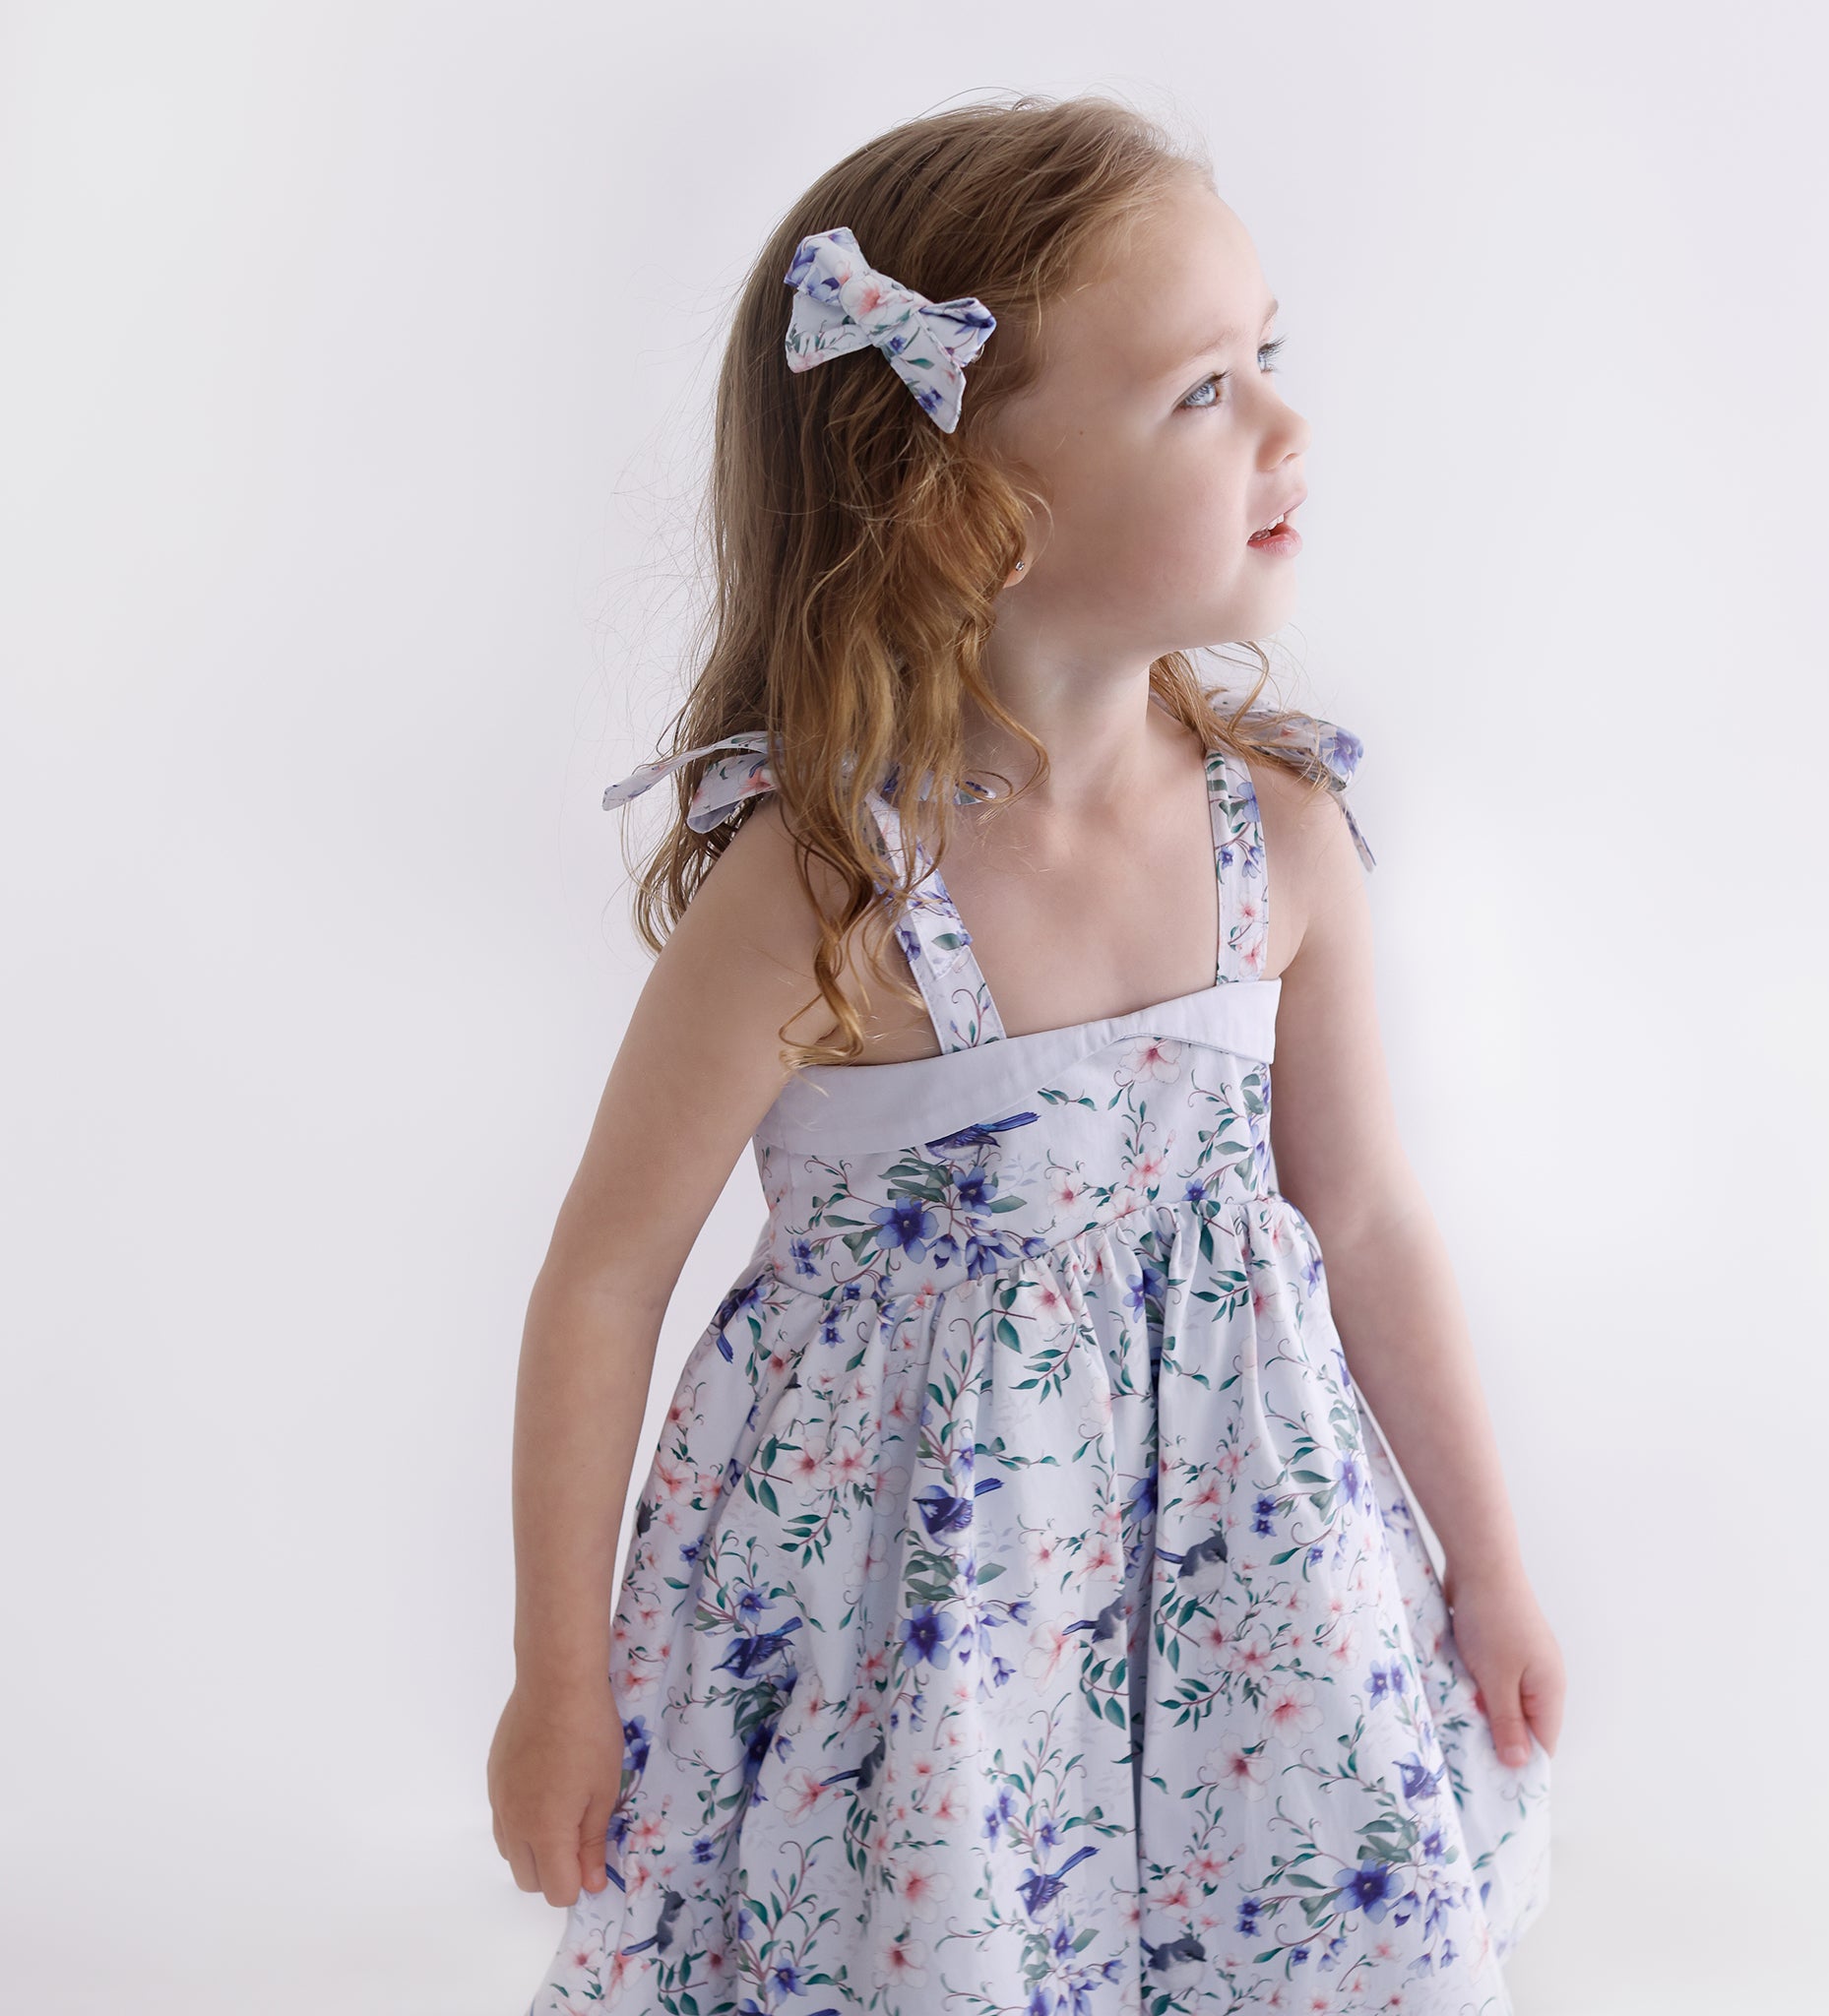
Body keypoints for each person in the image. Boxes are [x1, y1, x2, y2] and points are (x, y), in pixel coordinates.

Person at [493, 90, 1563, 2016]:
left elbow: (1370, 1217)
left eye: (1268, 361)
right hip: (918, 1604)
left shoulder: (1280, 837)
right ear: (967, 502)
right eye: (1198, 393)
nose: (1284, 426)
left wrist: (1486, 1563)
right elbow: (604, 1273)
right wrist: (558, 1674)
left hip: (1239, 1556)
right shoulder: (824, 881)